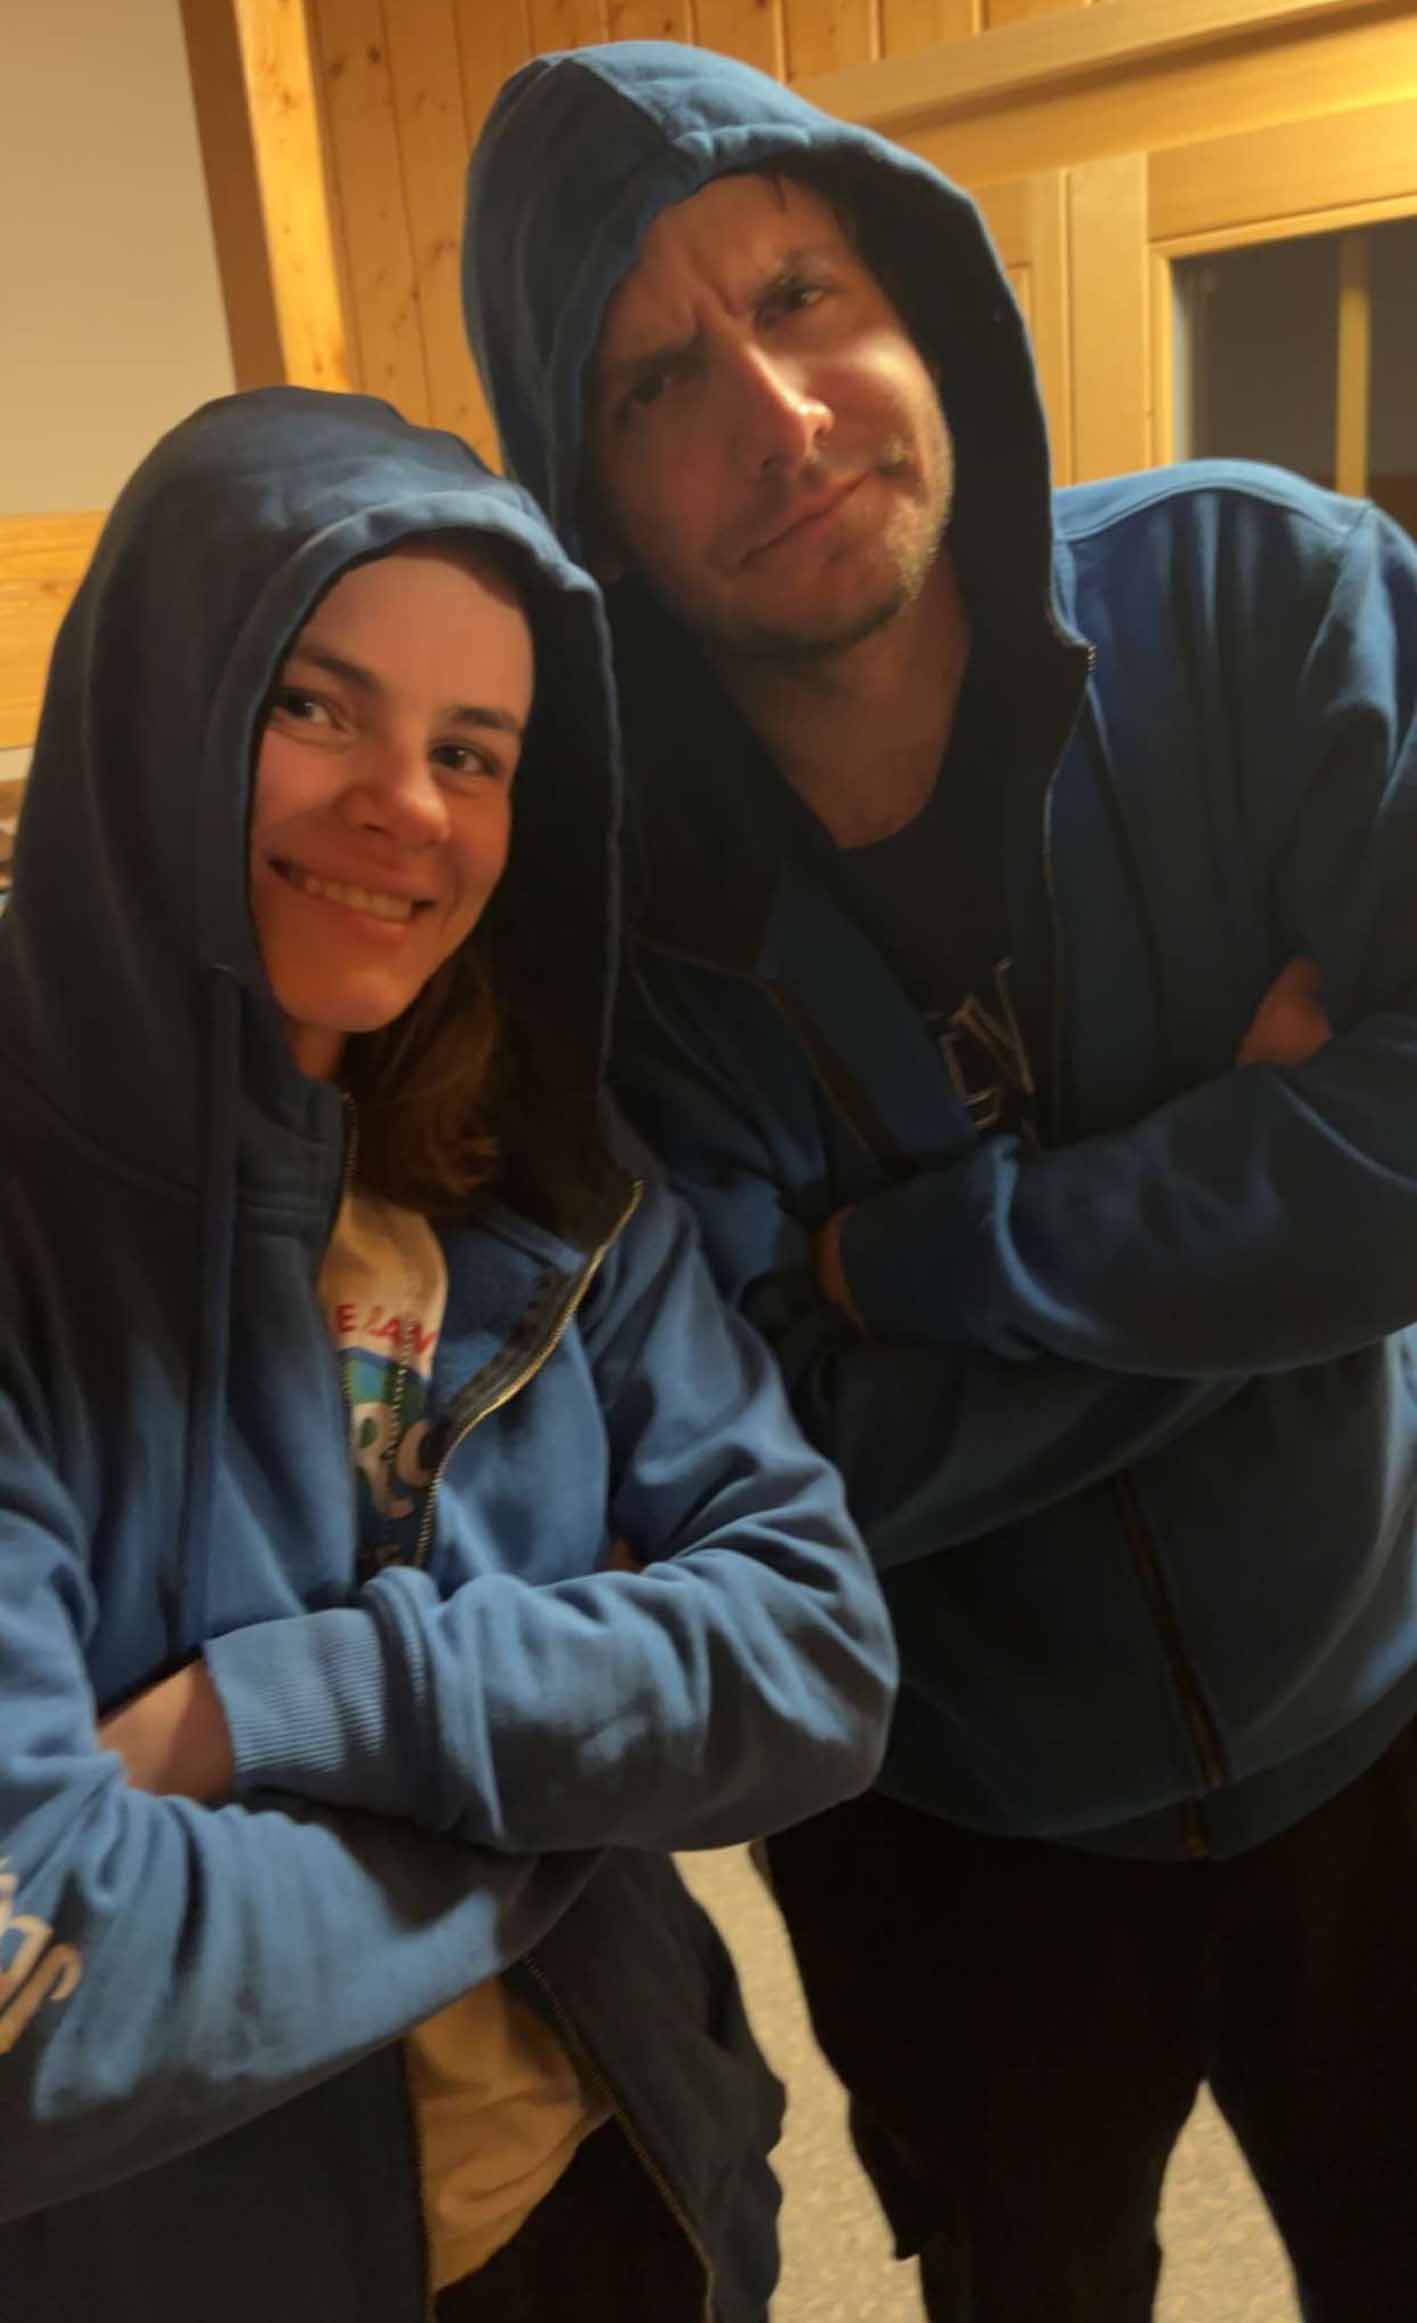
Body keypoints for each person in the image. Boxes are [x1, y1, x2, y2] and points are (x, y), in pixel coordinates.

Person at [461, 41, 1417, 2320]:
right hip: (947, 1823)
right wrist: (1260, 1239)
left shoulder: (1268, 598)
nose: (780, 416)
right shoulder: (595, 935)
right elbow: (767, 1468)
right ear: (590, 501)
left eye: (800, 295)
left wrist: (914, 1261)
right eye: (657, 381)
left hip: (1383, 1714)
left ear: (921, 306)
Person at [0, 385, 897, 2323]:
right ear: (158, 712)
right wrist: (562, 1779)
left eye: (470, 751)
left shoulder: (551, 1174)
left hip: (623, 2191)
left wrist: (265, 1710)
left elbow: (818, 1655)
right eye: (314, 707)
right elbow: (35, 1998)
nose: (405, 805)